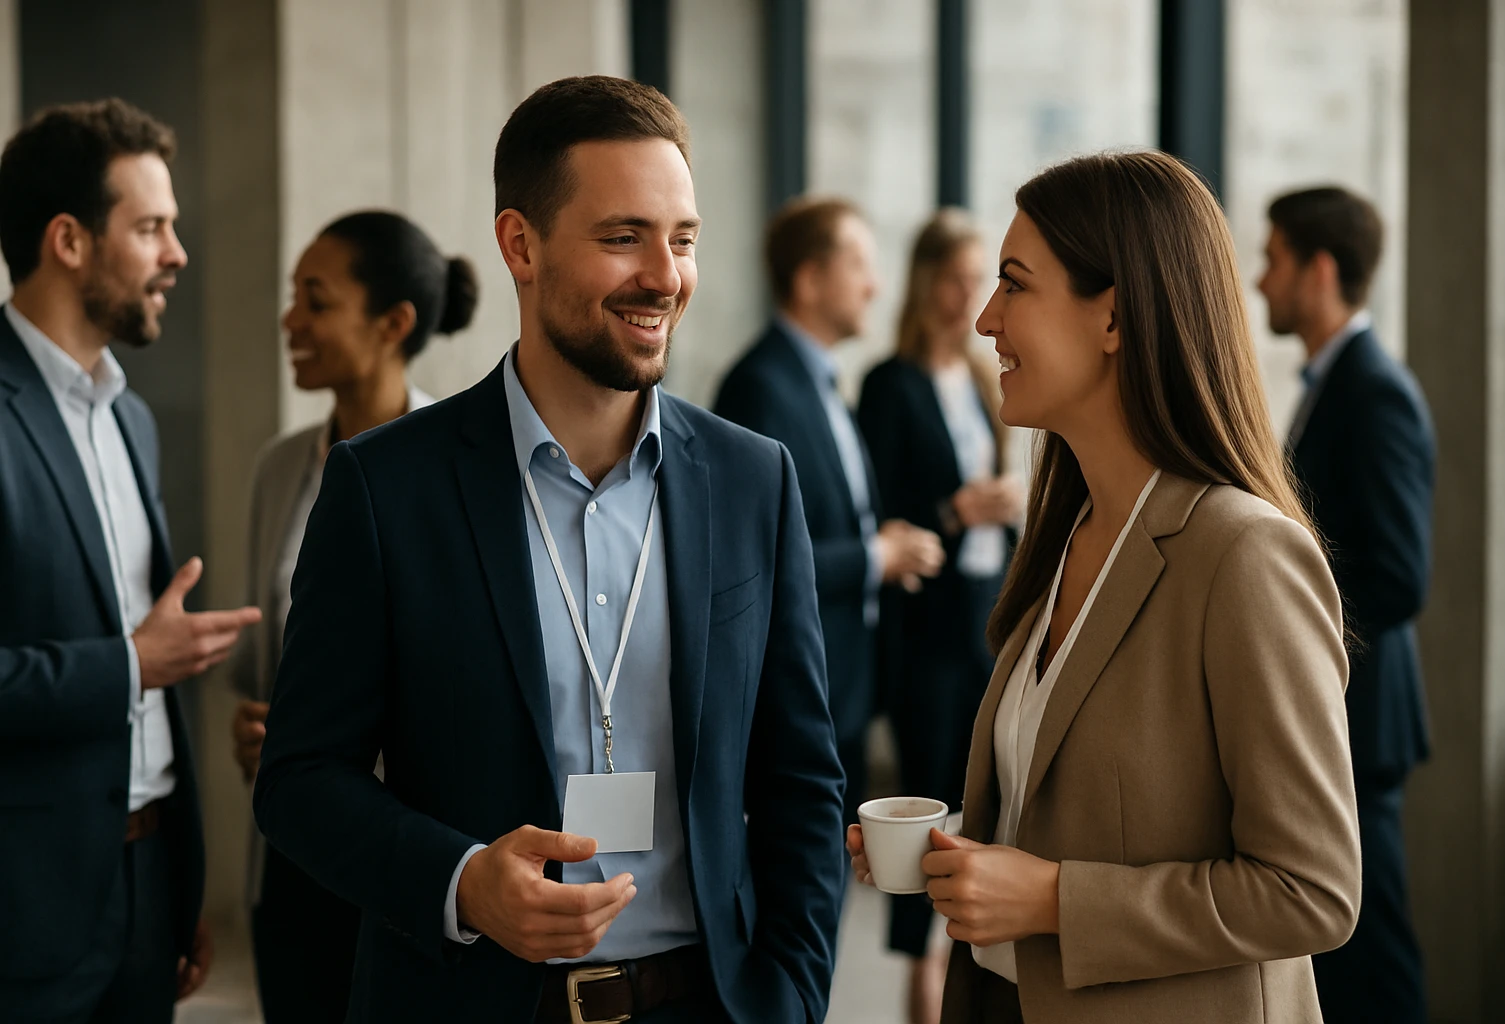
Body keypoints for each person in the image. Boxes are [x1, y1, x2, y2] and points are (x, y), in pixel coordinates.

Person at [253, 76, 845, 1023]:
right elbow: (299, 781)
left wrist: (792, 1000)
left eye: (683, 239)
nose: (666, 274)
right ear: (520, 245)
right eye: (624, 237)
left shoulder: (753, 480)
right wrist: (462, 883)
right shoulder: (384, 486)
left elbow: (801, 783)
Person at [847, 151, 1362, 1023]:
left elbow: (1311, 889)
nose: (983, 319)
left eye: (1014, 285)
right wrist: (964, 855)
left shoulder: (1244, 557)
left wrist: (1051, 900)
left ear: (1115, 317)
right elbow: (1091, 809)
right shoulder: (1069, 539)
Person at [0, 99, 261, 1021]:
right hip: (23, 913)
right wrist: (130, 664)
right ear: (68, 241)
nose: (178, 254)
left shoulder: (131, 419)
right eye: (151, 227)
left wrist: (179, 882)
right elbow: (131, 664)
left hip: (150, 886)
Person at [228, 209, 478, 1023]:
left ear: (393, 324)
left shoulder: (461, 469)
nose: (289, 319)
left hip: (415, 856)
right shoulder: (279, 469)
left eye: (316, 298)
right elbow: (266, 664)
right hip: (293, 858)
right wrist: (261, 733)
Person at [1258, 186, 1434, 1024]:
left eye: (1274, 259)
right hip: (1340, 711)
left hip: (1361, 718)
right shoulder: (1336, 382)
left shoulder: (1374, 389)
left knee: (1374, 954)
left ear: (1320, 270)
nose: (1260, 281)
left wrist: (1287, 621)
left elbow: (1400, 576)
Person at [715, 197, 945, 825]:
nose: (875, 287)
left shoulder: (820, 381)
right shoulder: (761, 386)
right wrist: (878, 556)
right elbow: (754, 559)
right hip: (801, 690)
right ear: (810, 279)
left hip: (845, 683)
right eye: (859, 266)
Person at [857, 208, 1021, 1024]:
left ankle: (971, 965)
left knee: (985, 810)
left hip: (986, 622)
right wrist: (956, 513)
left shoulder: (986, 378)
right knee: (922, 817)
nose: (969, 298)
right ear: (925, 284)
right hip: (926, 635)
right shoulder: (891, 384)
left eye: (980, 279)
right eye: (954, 279)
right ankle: (922, 984)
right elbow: (883, 511)